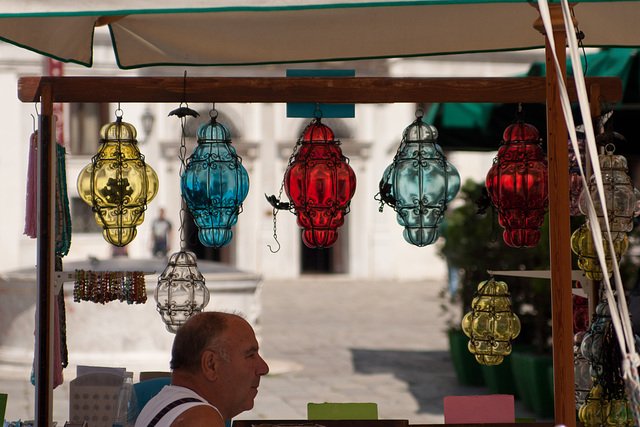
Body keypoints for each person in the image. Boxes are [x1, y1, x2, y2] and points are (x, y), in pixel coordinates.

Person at [134, 312, 269, 427]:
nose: (264, 368)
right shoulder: (201, 420)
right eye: (250, 356)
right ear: (211, 365)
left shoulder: (161, 402)